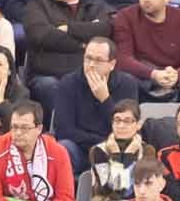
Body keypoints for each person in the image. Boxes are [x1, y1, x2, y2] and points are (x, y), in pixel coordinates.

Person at [22, 0, 113, 124]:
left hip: (91, 74)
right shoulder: (37, 5)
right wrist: (82, 44)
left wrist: (68, 29)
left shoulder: (96, 7)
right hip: (48, 74)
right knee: (49, 86)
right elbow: (41, 35)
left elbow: (105, 29)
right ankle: (60, 131)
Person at [54, 37, 139, 175]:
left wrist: (104, 99)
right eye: (88, 58)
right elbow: (64, 130)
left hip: (115, 151)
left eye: (98, 60)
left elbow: (126, 130)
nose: (91, 65)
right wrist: (102, 143)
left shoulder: (127, 84)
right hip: (80, 150)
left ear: (112, 64)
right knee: (64, 147)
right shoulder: (68, 83)